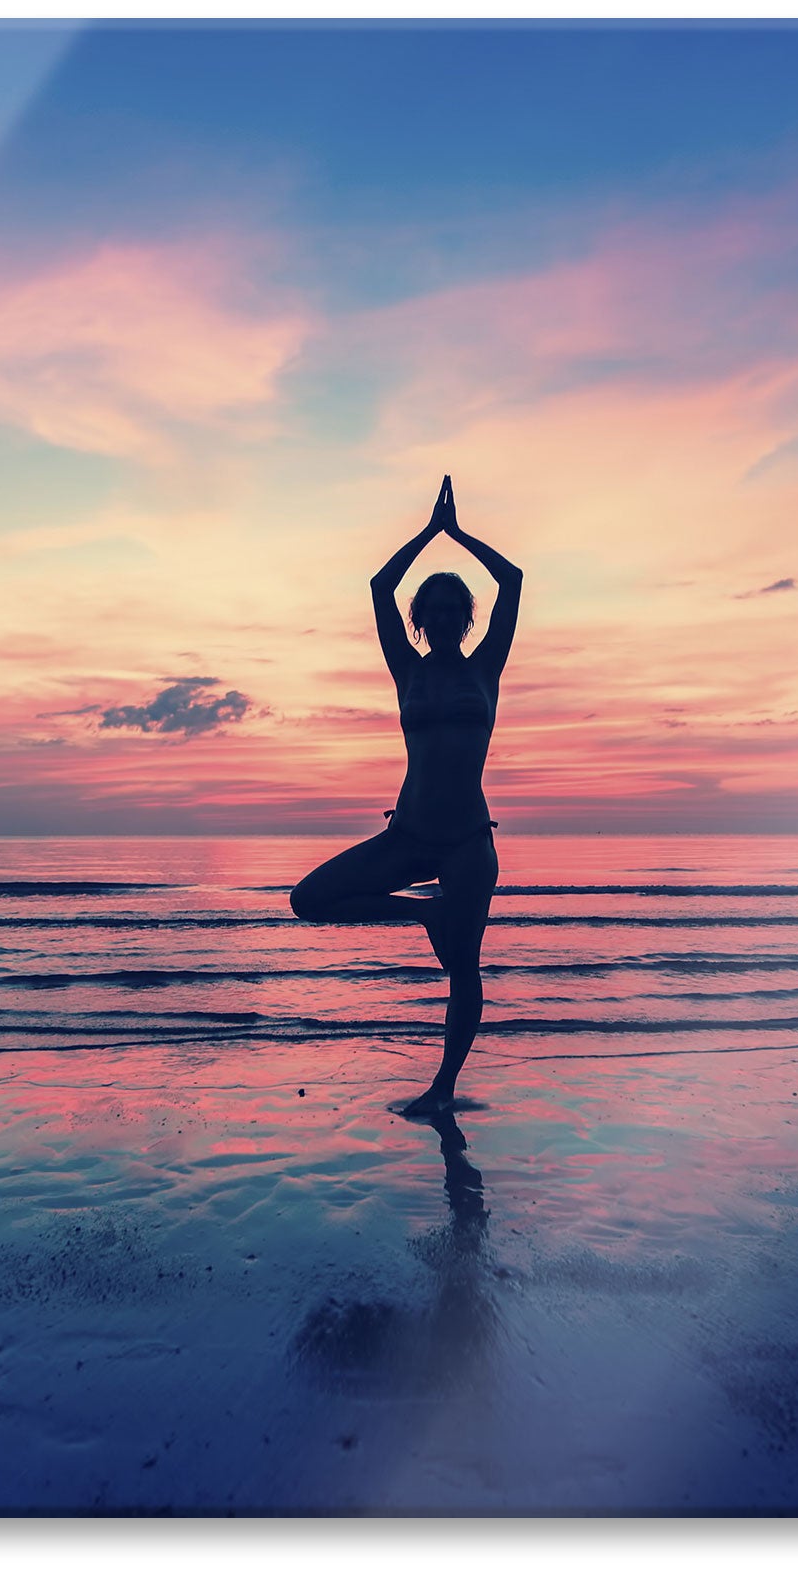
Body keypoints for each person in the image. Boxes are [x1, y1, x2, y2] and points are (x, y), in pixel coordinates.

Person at [289, 476, 522, 1115]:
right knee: (308, 899)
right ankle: (425, 914)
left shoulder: (486, 668)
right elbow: (378, 589)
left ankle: (442, 1090)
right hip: (410, 834)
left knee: (464, 969)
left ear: (466, 617)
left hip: (468, 842)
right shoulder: (408, 670)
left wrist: (460, 535)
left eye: (456, 608)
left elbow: (514, 582)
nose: (446, 617)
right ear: (421, 619)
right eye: (435, 608)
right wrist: (425, 535)